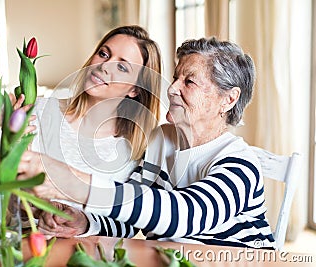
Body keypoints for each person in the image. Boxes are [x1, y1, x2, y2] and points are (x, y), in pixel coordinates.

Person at [17, 37, 276, 249]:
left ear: (228, 100)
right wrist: (85, 223)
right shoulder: (162, 139)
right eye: (175, 78)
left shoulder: (239, 164)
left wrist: (75, 183)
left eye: (189, 81)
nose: (172, 88)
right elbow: (134, 217)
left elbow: (181, 217)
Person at [14, 25, 162, 235]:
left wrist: (84, 223)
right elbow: (4, 198)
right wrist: (37, 210)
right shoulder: (36, 112)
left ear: (135, 89)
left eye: (122, 67)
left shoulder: (137, 149)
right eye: (103, 54)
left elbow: (129, 223)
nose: (104, 67)